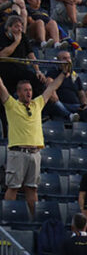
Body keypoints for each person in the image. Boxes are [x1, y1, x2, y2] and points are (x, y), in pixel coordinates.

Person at [1, 71, 62, 216]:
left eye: (30, 90)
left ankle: (33, 218)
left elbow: (52, 87)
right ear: (18, 93)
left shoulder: (37, 104)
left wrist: (64, 74)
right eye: (25, 90)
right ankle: (7, 219)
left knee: (32, 189)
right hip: (18, 153)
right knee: (13, 188)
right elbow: (1, 87)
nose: (29, 92)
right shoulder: (11, 105)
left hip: (35, 154)